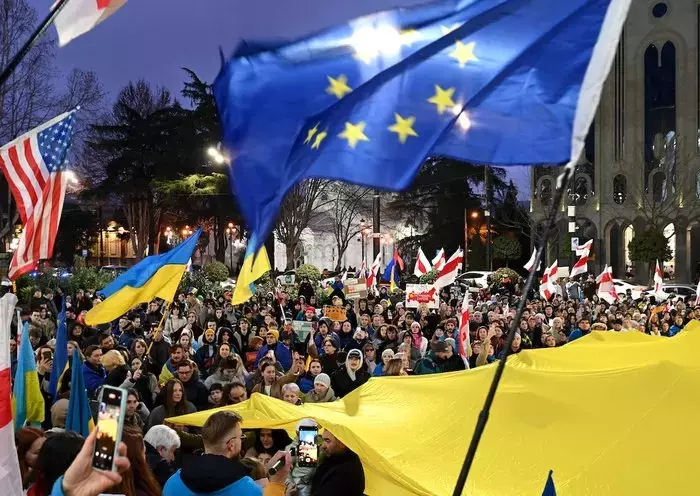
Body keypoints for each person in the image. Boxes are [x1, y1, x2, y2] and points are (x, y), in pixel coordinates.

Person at [163, 411, 290, 496]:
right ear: (231, 445)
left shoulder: (172, 483)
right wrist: (276, 483)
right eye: (241, 437)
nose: (242, 440)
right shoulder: (249, 490)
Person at [310, 429, 365, 496]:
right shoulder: (333, 460)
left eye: (327, 441)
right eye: (323, 440)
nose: (323, 446)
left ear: (341, 443)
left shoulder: (345, 472)